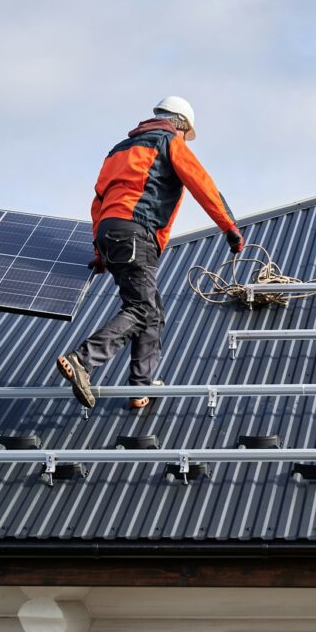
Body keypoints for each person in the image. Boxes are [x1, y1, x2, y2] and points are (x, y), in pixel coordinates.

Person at [57, 96, 243, 409]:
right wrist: (230, 228)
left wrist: (100, 250)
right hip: (136, 232)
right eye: (187, 133)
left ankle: (141, 387)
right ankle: (83, 359)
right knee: (142, 309)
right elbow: (202, 184)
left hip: (109, 232)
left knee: (152, 310)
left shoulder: (118, 149)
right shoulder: (169, 141)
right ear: (180, 124)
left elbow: (99, 201)